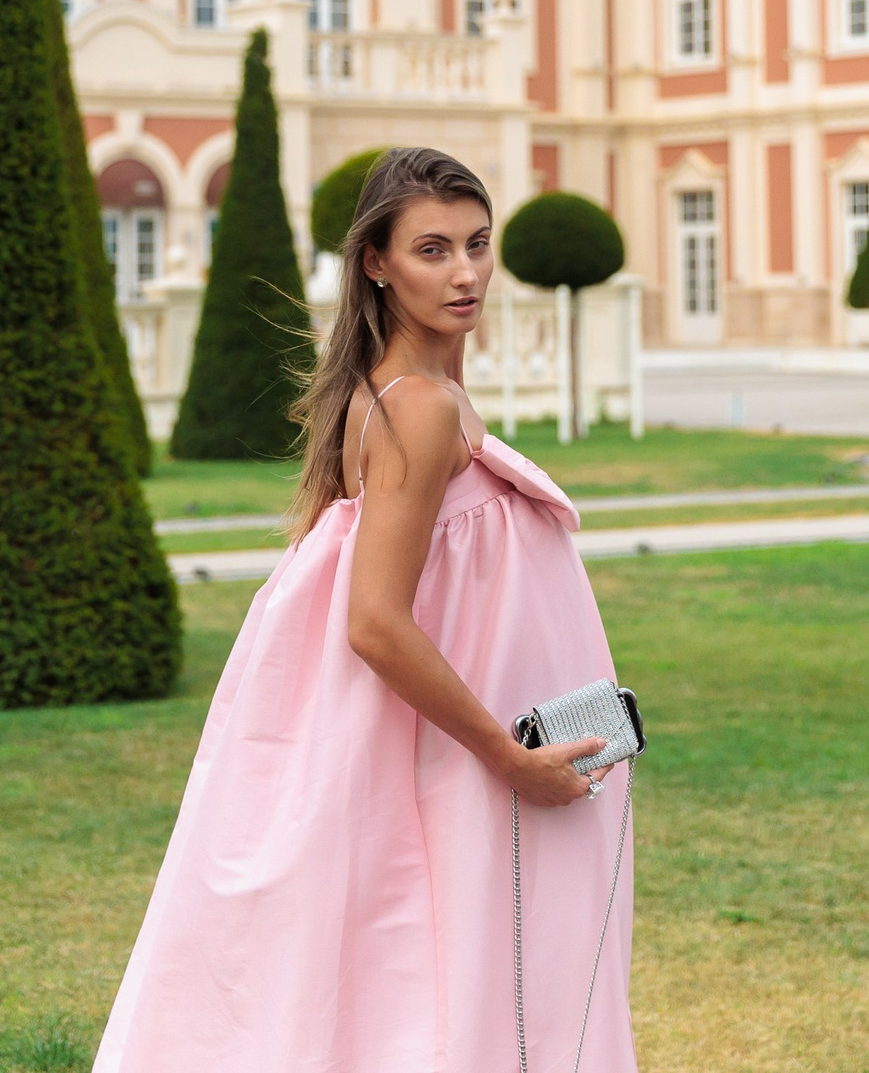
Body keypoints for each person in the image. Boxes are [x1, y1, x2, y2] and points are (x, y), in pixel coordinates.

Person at [95, 147, 638, 1071]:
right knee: (479, 987)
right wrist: (510, 757)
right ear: (376, 263)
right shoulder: (415, 407)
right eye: (433, 249)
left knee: (437, 988)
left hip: (460, 749)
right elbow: (374, 619)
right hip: (477, 760)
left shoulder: (408, 394)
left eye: (477, 243)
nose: (465, 272)